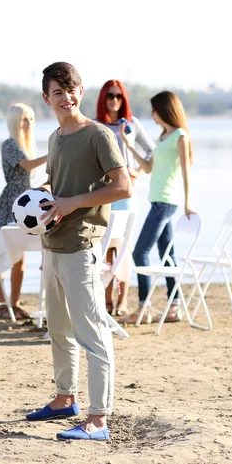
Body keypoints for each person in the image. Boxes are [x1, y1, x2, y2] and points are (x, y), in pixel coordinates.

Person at [25, 62, 131, 441]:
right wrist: (43, 196)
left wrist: (72, 203)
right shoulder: (54, 138)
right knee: (58, 328)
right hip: (51, 245)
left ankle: (98, 419)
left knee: (92, 332)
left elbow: (122, 187)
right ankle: (63, 398)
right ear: (46, 98)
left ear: (81, 91)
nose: (65, 97)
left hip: (82, 245)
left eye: (71, 89)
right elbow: (57, 183)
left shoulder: (98, 135)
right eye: (57, 91)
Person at [118, 90, 195, 325]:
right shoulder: (163, 137)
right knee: (166, 255)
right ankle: (174, 306)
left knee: (140, 252)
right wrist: (129, 146)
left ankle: (144, 307)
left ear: (164, 110)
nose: (151, 114)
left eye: (154, 109)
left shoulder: (180, 136)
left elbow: (186, 170)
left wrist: (188, 202)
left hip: (165, 203)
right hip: (158, 201)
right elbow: (149, 168)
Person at [95, 80, 156, 317]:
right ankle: (107, 299)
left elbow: (152, 152)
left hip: (127, 192)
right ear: (103, 98)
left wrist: (138, 172)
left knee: (123, 247)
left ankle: (122, 301)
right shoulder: (96, 125)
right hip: (104, 192)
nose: (114, 101)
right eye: (110, 96)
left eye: (119, 96)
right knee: (106, 244)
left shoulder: (131, 124)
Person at [0, 103, 47, 319]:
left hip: (27, 203)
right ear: (15, 121)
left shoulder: (26, 144)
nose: (29, 123)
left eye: (31, 119)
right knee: (1, 255)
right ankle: (3, 304)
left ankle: (13, 304)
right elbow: (28, 165)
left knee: (20, 258)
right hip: (10, 204)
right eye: (25, 119)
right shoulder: (9, 144)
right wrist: (54, 155)